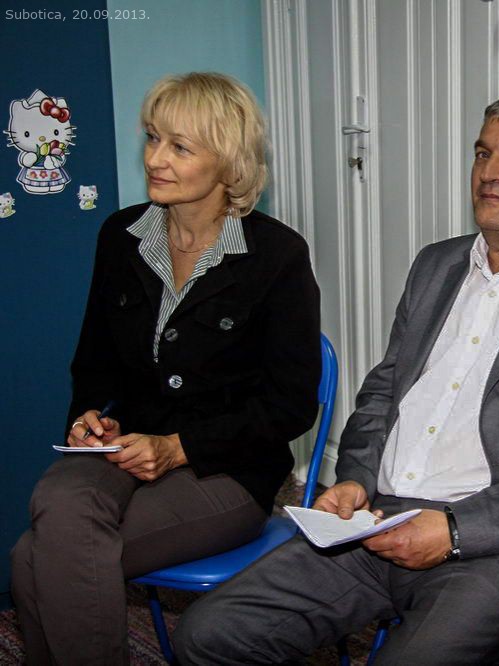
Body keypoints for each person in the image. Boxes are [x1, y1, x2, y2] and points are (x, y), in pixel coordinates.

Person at [173, 93, 499, 665]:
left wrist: (454, 530)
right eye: (482, 153)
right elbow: (384, 392)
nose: (490, 172)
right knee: (208, 635)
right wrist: (356, 478)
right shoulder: (437, 265)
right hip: (379, 519)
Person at [10, 72, 321, 665]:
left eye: (180, 146)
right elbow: (94, 362)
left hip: (227, 469)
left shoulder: (277, 255)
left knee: (34, 558)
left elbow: (291, 405)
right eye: (154, 138)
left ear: (228, 163)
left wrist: (178, 448)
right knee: (58, 499)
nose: (155, 158)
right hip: (125, 446)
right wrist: (90, 416)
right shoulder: (120, 236)